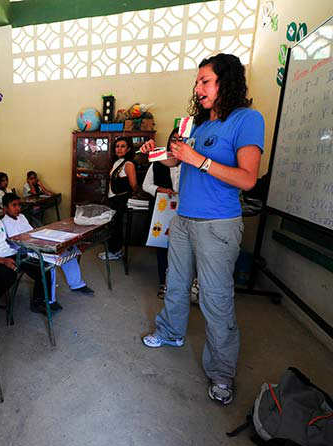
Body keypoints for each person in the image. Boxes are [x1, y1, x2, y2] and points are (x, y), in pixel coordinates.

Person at [140, 54, 264, 406]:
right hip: (184, 220)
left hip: (218, 225)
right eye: (198, 82)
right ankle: (171, 333)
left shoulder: (247, 120)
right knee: (175, 285)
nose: (198, 88)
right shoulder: (194, 123)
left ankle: (222, 372)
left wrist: (201, 161)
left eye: (205, 81)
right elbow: (174, 159)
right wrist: (155, 154)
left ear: (227, 82)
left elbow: (248, 178)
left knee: (215, 298)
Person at [0, 192, 56, 314]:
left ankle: (38, 302)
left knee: (43, 268)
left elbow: (5, 241)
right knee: (9, 275)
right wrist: (4, 261)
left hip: (10, 253)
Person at [2, 193, 94, 300]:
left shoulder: (21, 217)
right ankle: (50, 300)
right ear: (5, 208)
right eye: (14, 205)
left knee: (68, 250)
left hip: (36, 243)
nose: (18, 208)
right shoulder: (5, 222)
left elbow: (32, 231)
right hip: (26, 250)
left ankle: (77, 284)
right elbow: (17, 242)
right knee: (50, 264)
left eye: (19, 205)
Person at [142, 128, 182, 299]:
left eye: (181, 139)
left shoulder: (192, 162)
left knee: (182, 249)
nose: (177, 142)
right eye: (174, 139)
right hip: (164, 210)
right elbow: (146, 185)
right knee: (163, 247)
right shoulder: (158, 161)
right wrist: (161, 189)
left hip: (185, 210)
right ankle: (164, 283)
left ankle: (182, 285)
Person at [98, 137, 138, 261]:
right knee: (113, 225)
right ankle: (115, 250)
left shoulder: (128, 164)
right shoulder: (117, 162)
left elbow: (134, 185)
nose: (119, 149)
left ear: (128, 149)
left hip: (120, 199)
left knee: (116, 226)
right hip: (113, 198)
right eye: (117, 146)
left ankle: (115, 252)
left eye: (123, 146)